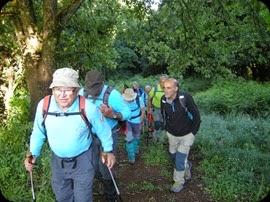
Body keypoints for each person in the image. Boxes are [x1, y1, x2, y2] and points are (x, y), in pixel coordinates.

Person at [24, 68, 115, 202]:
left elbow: (103, 129)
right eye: (58, 89)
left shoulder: (87, 107)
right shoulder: (44, 105)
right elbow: (38, 132)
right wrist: (33, 153)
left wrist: (108, 150)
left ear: (77, 90)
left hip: (84, 159)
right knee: (62, 197)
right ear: (52, 90)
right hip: (57, 161)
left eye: (68, 89)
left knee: (83, 198)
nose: (62, 95)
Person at [81, 70, 131, 202]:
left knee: (105, 167)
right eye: (90, 89)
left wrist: (112, 114)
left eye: (95, 89)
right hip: (91, 135)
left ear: (102, 83)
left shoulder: (113, 95)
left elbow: (127, 113)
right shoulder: (82, 93)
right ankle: (103, 184)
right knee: (94, 166)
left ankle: (111, 195)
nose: (92, 92)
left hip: (109, 135)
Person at [162, 78, 201, 193]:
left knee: (179, 159)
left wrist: (193, 133)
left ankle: (179, 181)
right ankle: (187, 166)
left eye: (169, 88)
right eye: (164, 87)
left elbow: (196, 116)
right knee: (173, 155)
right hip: (172, 135)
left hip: (186, 135)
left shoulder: (185, 98)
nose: (166, 90)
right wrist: (166, 128)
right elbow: (164, 115)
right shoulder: (164, 100)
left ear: (176, 89)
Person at [122, 88, 145, 164]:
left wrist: (141, 121)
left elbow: (142, 111)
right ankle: (131, 157)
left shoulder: (139, 99)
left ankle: (136, 148)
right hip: (127, 121)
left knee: (136, 136)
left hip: (137, 121)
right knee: (129, 139)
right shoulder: (123, 101)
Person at [147, 74, 168, 143]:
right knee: (157, 123)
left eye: (165, 82)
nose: (163, 83)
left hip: (164, 109)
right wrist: (149, 107)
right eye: (162, 82)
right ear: (159, 82)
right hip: (155, 108)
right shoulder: (155, 88)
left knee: (163, 124)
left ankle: (161, 139)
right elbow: (149, 98)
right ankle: (155, 138)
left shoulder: (168, 89)